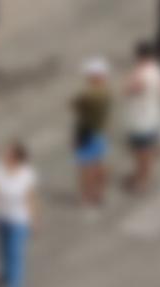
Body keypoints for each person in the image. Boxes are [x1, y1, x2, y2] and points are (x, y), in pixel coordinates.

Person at [0, 141, 38, 287]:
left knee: (15, 254)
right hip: (1, 218)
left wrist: (33, 219)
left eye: (9, 153)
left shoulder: (26, 174)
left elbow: (30, 198)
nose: (5, 156)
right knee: (3, 250)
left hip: (18, 220)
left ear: (16, 157)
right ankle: (6, 275)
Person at [125, 41, 160, 192]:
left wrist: (130, 82)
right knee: (146, 151)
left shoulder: (143, 73)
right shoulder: (157, 70)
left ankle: (142, 180)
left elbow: (131, 89)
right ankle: (143, 176)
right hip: (152, 115)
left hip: (141, 119)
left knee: (142, 152)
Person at [72, 57, 112, 209]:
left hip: (87, 133)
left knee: (85, 167)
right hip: (100, 132)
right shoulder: (105, 91)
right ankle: (99, 193)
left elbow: (77, 107)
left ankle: (86, 196)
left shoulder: (89, 95)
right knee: (99, 163)